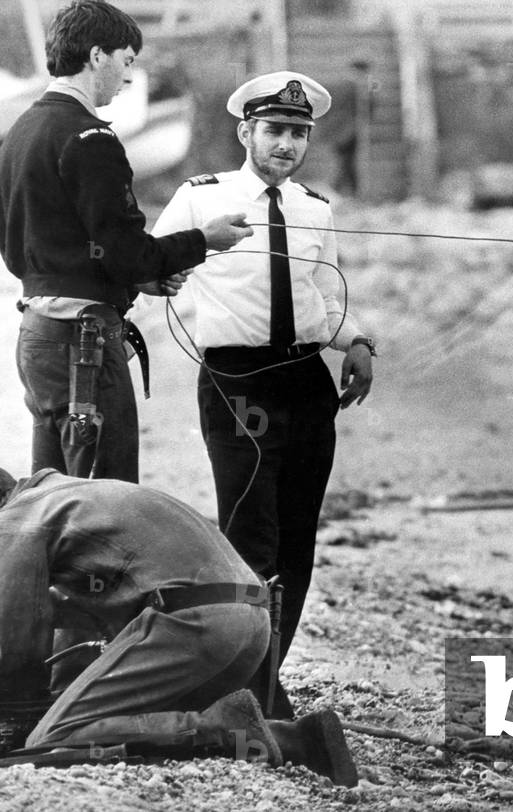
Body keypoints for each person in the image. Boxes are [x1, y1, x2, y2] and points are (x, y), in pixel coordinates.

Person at [150, 70, 375, 719]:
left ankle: (269, 679)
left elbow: (325, 295)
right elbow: (151, 263)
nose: (286, 145)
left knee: (299, 532)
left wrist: (355, 341)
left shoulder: (315, 208)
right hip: (235, 380)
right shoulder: (201, 198)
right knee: (252, 534)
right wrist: (152, 283)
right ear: (245, 130)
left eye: (298, 134)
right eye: (274, 130)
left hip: (306, 381)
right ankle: (239, 681)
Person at [0, 451, 358, 785]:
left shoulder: (11, 523)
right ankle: (299, 739)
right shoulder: (65, 495)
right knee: (123, 723)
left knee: (55, 738)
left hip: (195, 627)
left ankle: (223, 727)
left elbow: (8, 650)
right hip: (251, 627)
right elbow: (81, 608)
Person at [0, 0, 252, 483]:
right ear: (97, 56)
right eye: (127, 61)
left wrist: (129, 275)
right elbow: (128, 254)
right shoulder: (91, 137)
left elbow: (21, 252)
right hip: (84, 344)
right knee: (104, 499)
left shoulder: (21, 130)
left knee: (50, 498)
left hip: (36, 338)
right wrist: (206, 239)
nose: (128, 76)